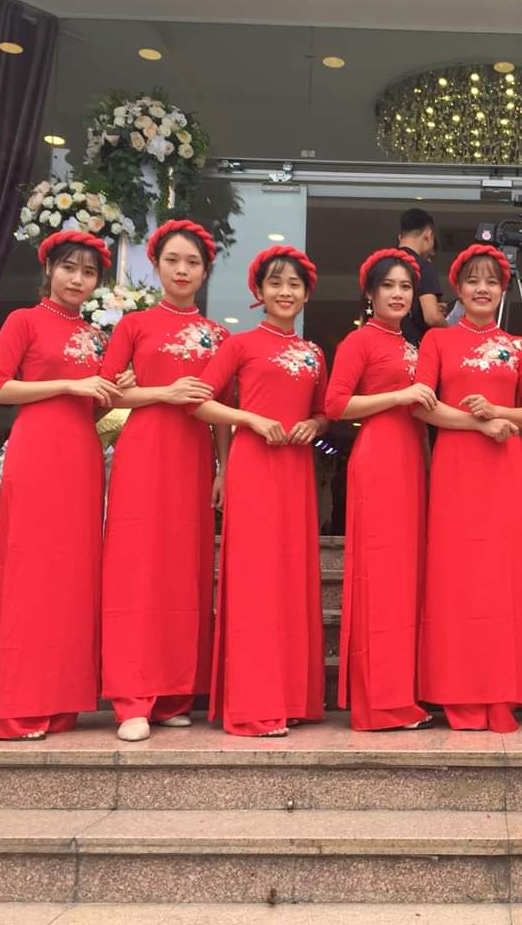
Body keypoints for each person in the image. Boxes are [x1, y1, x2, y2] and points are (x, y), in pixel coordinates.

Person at [0, 231, 120, 740]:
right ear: (49, 270)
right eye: (69, 268)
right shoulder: (24, 320)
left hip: (82, 456)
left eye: (89, 272)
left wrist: (120, 390)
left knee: (72, 576)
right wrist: (69, 384)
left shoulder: (98, 336)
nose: (78, 279)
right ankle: (18, 703)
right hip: (37, 452)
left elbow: (99, 404)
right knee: (30, 572)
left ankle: (58, 702)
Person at [100, 220, 230, 742]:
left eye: (192, 262)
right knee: (137, 569)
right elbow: (106, 393)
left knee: (185, 570)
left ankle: (174, 693)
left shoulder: (219, 335)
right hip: (145, 453)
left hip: (194, 457)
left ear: (205, 271)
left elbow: (222, 410)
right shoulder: (134, 325)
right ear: (155, 265)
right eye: (173, 260)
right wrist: (163, 393)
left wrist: (224, 468)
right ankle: (132, 698)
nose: (182, 270)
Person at [190, 245, 328, 737]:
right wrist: (249, 419)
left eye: (294, 284)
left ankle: (291, 698)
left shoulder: (314, 354)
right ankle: (253, 705)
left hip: (295, 469)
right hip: (253, 468)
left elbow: (325, 411)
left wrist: (314, 424)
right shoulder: (239, 345)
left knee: (292, 577)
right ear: (259, 291)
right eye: (275, 283)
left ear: (306, 294)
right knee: (254, 581)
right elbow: (199, 402)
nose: (285, 292)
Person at [413, 243, 522, 732]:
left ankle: (500, 693)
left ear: (503, 288)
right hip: (456, 468)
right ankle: (457, 693)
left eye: (491, 281)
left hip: (504, 467)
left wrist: (498, 414)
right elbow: (421, 406)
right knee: (456, 576)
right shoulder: (437, 341)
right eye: (472, 280)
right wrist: (479, 423)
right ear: (458, 289)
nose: (482, 289)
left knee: (501, 578)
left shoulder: (520, 346)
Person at [324, 248, 436, 731]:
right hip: (379, 459)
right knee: (381, 579)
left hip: (412, 460)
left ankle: (402, 695)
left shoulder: (414, 346)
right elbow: (335, 404)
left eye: (406, 287)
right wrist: (398, 396)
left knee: (406, 580)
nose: (397, 294)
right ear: (370, 293)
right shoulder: (359, 341)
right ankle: (379, 705)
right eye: (388, 285)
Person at [397, 207, 447, 346]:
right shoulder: (422, 266)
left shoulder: (382, 264)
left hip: (379, 343)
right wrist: (452, 334)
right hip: (410, 348)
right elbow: (432, 317)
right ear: (428, 235)